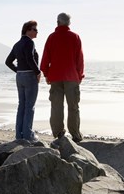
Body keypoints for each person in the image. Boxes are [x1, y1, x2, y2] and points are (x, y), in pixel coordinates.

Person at [40, 13, 84, 142]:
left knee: (56, 106)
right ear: (69, 23)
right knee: (73, 106)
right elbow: (79, 59)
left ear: (57, 22)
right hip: (71, 77)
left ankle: (59, 133)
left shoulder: (52, 37)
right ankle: (75, 134)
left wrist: (46, 74)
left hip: (55, 76)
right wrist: (79, 75)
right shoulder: (75, 37)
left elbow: (45, 58)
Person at [5, 20, 42, 141]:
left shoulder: (17, 44)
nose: (37, 32)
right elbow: (30, 58)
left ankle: (19, 135)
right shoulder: (29, 43)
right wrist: (37, 72)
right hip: (29, 76)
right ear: (28, 30)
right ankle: (28, 135)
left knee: (22, 105)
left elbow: (8, 62)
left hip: (20, 77)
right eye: (35, 29)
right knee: (29, 106)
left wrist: (18, 71)